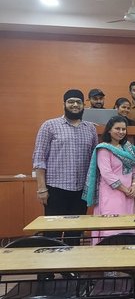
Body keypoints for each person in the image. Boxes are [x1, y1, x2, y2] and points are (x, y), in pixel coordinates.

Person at [32, 89, 98, 245]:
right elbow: (39, 159)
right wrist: (41, 188)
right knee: (52, 232)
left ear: (83, 105)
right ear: (64, 104)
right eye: (71, 102)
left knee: (74, 233)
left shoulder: (90, 129)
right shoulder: (49, 126)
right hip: (56, 189)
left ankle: (69, 269)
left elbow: (94, 160)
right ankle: (48, 269)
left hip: (81, 191)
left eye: (78, 102)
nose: (75, 105)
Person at [82, 116, 135, 242]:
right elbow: (107, 173)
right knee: (112, 227)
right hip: (111, 195)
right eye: (117, 128)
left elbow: (134, 169)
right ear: (109, 130)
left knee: (127, 226)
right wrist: (124, 189)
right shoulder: (104, 148)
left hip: (129, 195)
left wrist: (134, 185)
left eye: (123, 129)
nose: (121, 132)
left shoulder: (127, 148)